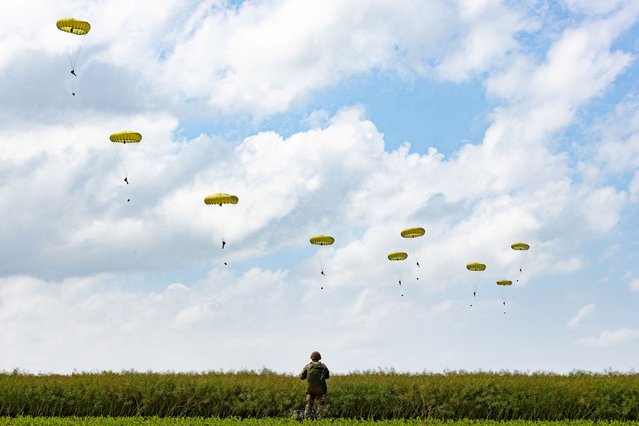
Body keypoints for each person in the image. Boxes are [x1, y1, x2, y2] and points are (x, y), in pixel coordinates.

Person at [299, 351, 329, 419]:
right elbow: (327, 376)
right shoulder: (323, 366)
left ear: (311, 358)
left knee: (309, 404)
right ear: (319, 358)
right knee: (320, 405)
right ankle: (320, 420)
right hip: (321, 390)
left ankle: (307, 419)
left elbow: (301, 377)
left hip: (310, 390)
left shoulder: (308, 366)